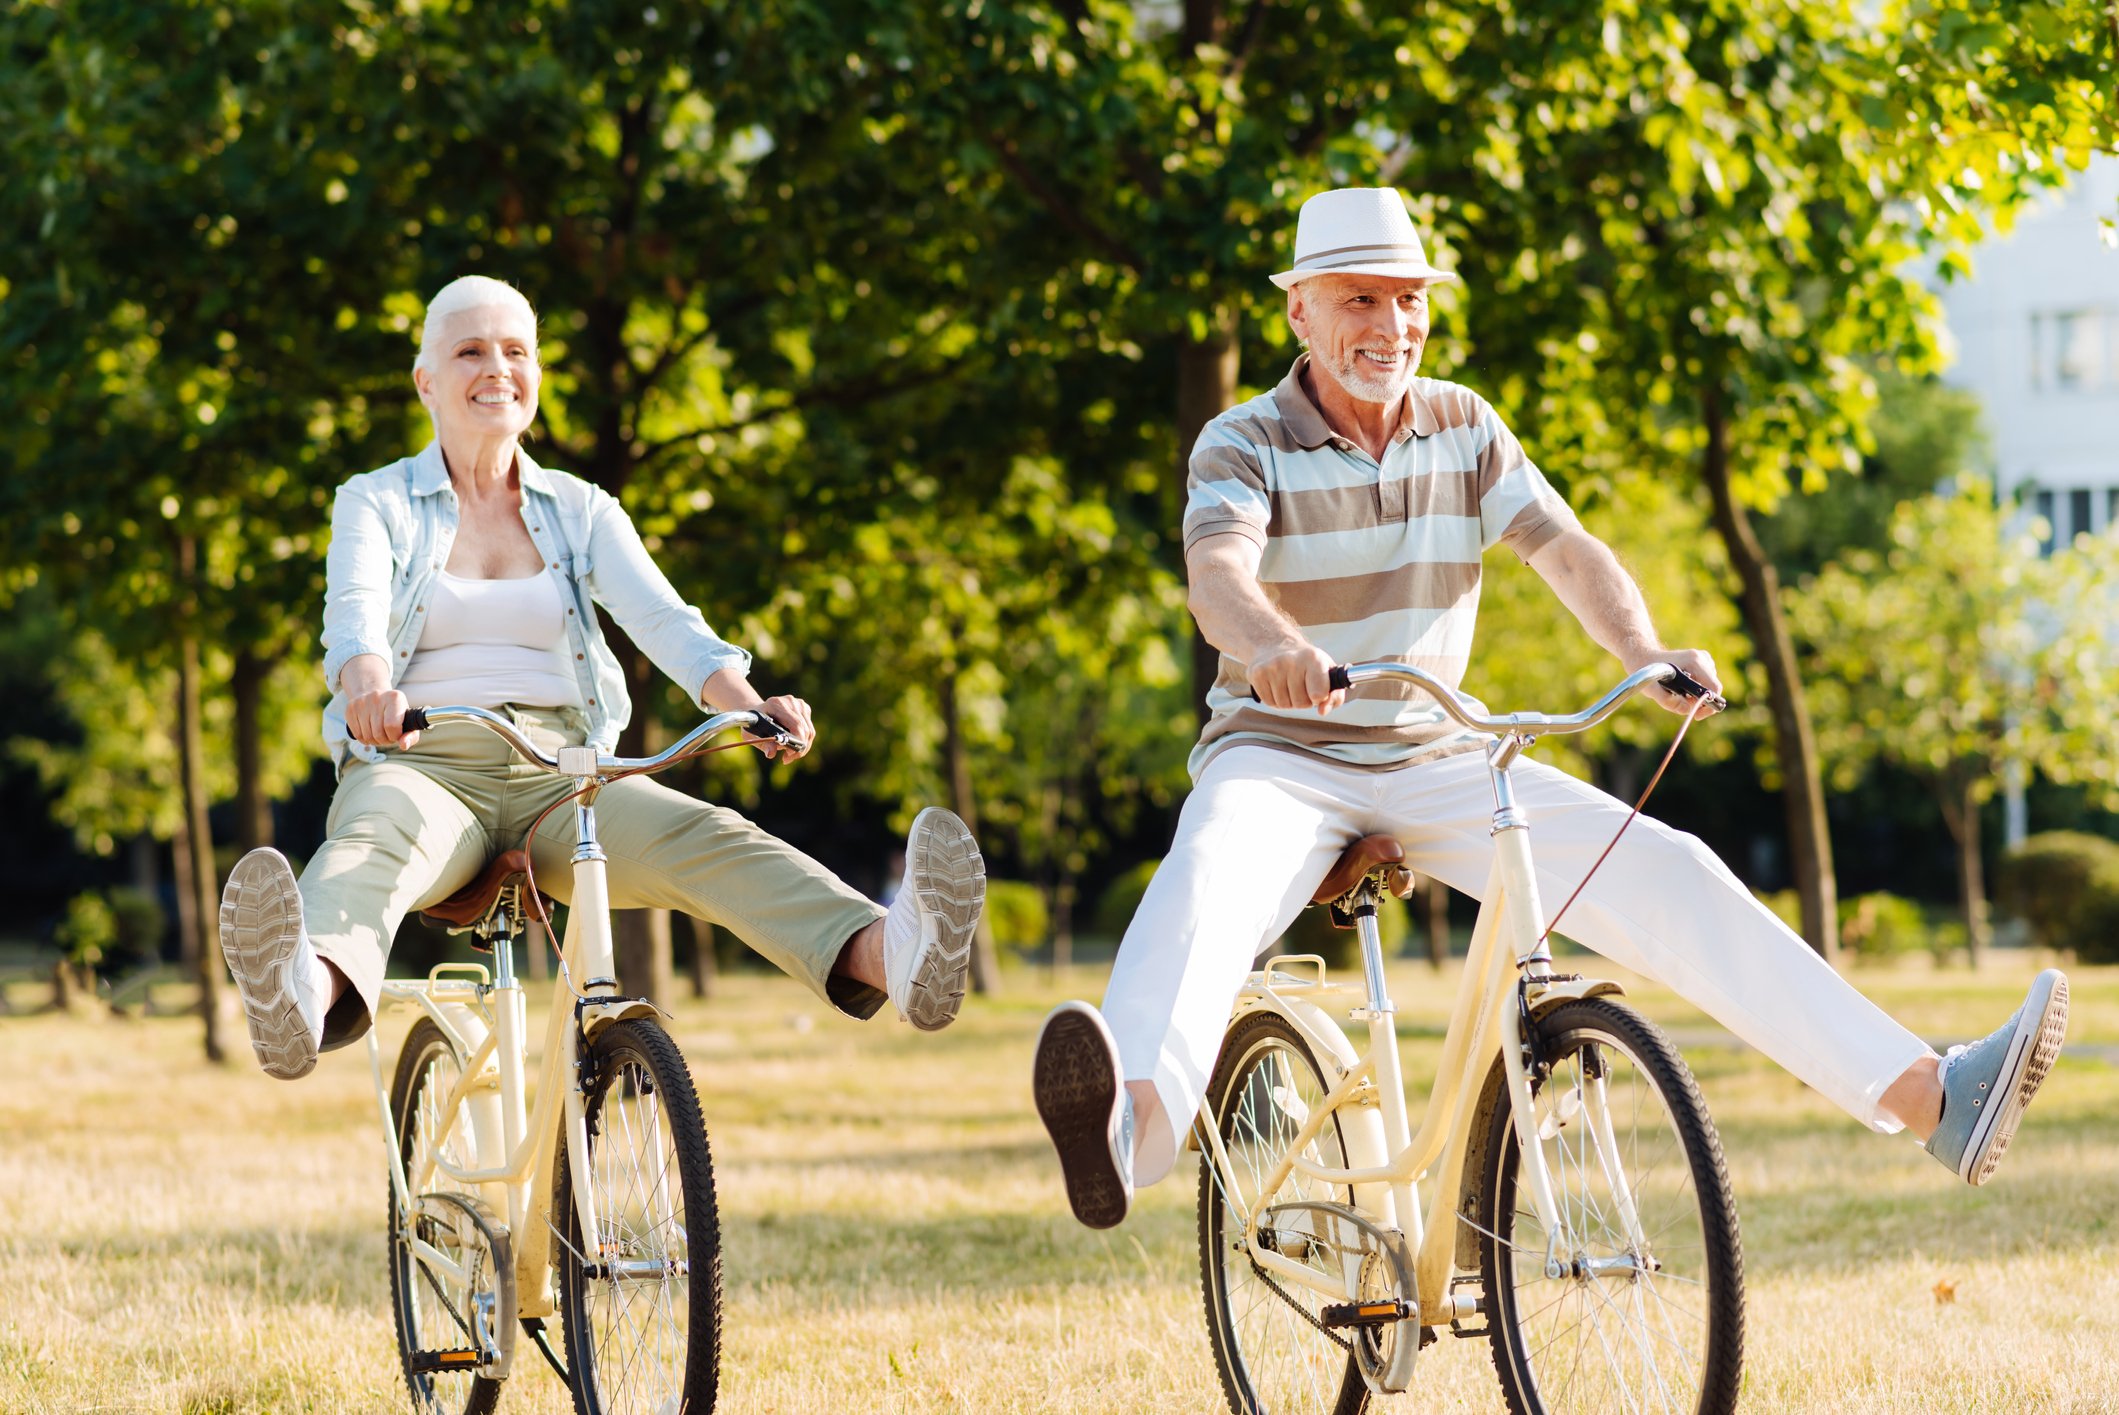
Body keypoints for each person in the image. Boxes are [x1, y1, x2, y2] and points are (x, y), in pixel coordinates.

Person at [1031, 187, 2070, 1229]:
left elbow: (1561, 546)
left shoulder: (1463, 423)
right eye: (1359, 300)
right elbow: (1216, 571)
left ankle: (1935, 1098)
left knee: (1670, 867)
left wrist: (1644, 649)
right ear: (1298, 311)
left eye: (1407, 300)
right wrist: (1272, 649)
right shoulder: (1240, 440)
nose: (1389, 326)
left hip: (1437, 747)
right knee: (1208, 876)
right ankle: (1128, 1122)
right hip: (1281, 750)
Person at [218, 275, 986, 1080]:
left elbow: (667, 624)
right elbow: (356, 616)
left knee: (709, 837)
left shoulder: (581, 508)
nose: (497, 368)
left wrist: (750, 707)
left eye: (516, 351)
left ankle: (892, 952)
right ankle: (301, 989)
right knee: (372, 845)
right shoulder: (375, 501)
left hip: (564, 772)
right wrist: (369, 690)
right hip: (423, 762)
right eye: (470, 350)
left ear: (538, 376)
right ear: (426, 381)